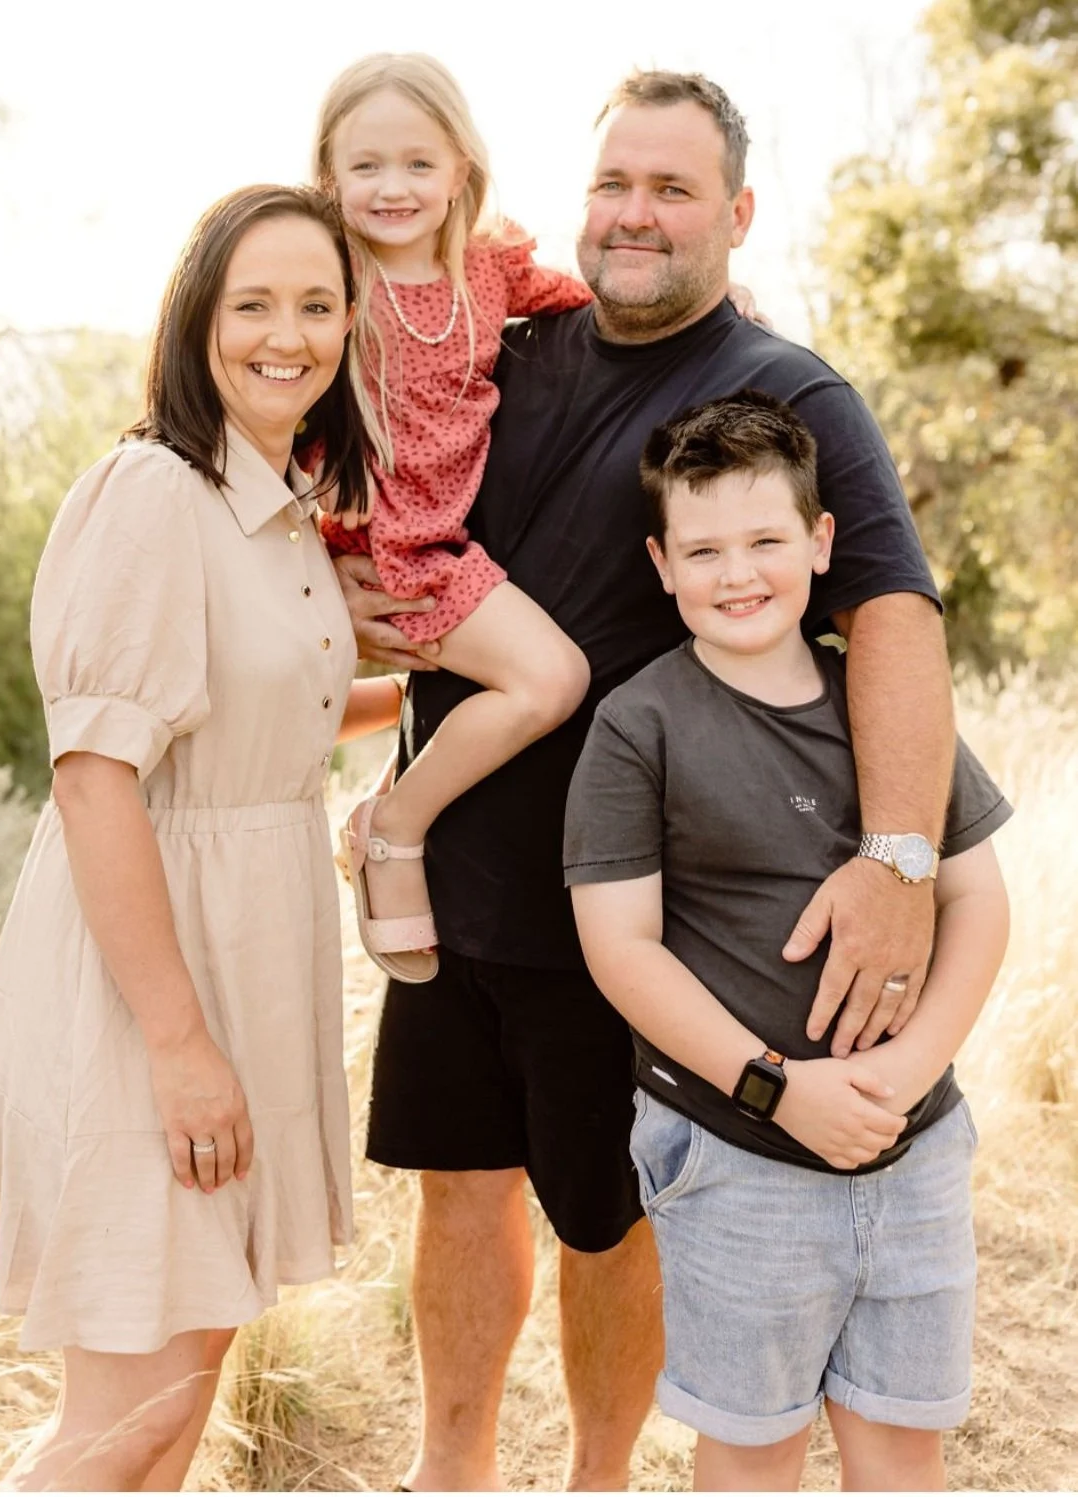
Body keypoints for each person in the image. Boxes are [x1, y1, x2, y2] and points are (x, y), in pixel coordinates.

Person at [338, 70, 958, 1493]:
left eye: (671, 189)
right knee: (457, 1188)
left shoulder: (784, 390)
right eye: (614, 182)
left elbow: (892, 617)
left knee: (607, 1215)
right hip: (443, 882)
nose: (633, 214)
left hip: (632, 912)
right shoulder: (515, 346)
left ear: (734, 215)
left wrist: (901, 859)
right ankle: (452, 1472)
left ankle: (599, 1478)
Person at [0, 184, 402, 1492]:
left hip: (240, 966)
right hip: (144, 995)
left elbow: (274, 715)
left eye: (316, 304)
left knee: (169, 1417)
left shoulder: (280, 508)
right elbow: (94, 781)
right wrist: (181, 1045)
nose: (285, 333)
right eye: (253, 302)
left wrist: (433, 687)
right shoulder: (149, 491)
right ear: (195, 321)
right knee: (121, 1431)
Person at [564, 391, 1011, 1493]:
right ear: (663, 565)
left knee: (903, 1448)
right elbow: (621, 948)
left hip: (911, 1153)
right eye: (705, 548)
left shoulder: (890, 706)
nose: (738, 572)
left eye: (766, 540)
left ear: (821, 544)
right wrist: (776, 1092)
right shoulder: (640, 724)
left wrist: (905, 1076)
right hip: (736, 1156)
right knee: (753, 1452)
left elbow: (981, 904)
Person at [314, 54, 759, 983]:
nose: (393, 188)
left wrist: (728, 306)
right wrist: (312, 574)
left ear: (461, 172)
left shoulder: (486, 265)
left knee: (521, 679)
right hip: (400, 541)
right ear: (328, 176)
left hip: (461, 535)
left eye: (418, 164)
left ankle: (395, 799)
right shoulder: (331, 283)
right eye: (366, 167)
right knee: (551, 679)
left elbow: (600, 295)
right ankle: (394, 826)